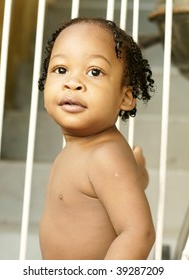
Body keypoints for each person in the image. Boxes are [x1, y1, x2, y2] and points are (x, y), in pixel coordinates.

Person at [38, 17, 156, 260]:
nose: (73, 83)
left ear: (125, 97)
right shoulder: (79, 149)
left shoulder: (104, 155)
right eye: (61, 70)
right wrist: (136, 174)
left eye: (94, 72)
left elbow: (138, 232)